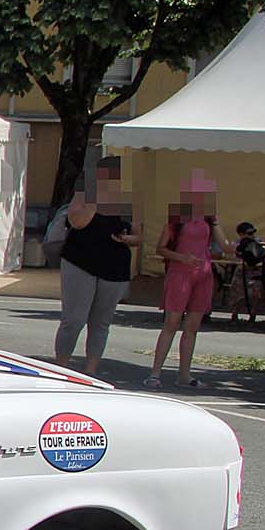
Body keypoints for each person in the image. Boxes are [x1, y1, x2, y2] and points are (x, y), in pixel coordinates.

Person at [53, 157, 140, 375]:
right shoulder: (84, 196)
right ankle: (61, 369)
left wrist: (129, 239)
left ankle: (91, 372)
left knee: (101, 323)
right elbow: (77, 222)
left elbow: (139, 235)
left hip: (113, 266)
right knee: (74, 320)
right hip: (80, 261)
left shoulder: (127, 200)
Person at [145, 174, 229, 389]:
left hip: (204, 274)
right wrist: (182, 258)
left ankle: (185, 374)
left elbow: (224, 245)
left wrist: (220, 227)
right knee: (171, 323)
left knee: (192, 326)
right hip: (180, 273)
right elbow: (161, 248)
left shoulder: (210, 219)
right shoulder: (177, 218)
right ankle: (155, 373)